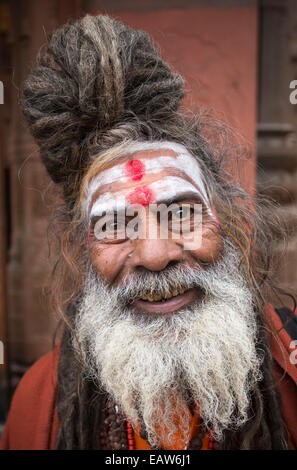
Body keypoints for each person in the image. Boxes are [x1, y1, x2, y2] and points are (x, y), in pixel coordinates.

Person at [1, 14, 297, 451]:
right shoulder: (38, 406)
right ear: (80, 250)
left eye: (181, 213)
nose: (155, 254)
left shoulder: (289, 377)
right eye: (113, 225)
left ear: (228, 221)